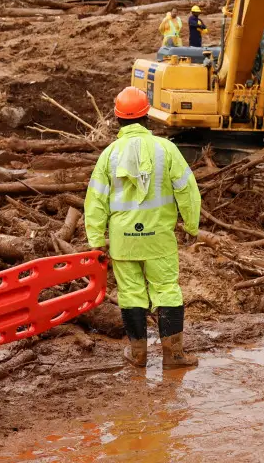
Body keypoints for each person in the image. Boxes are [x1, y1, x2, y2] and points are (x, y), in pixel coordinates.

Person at [85, 88, 201, 369]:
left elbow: (96, 201)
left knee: (131, 293)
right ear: (147, 115)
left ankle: (138, 355)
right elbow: (187, 190)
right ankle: (174, 356)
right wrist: (191, 225)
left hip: (123, 240)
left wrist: (95, 240)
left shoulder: (109, 155)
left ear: (117, 118)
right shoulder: (166, 149)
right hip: (158, 238)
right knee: (167, 290)